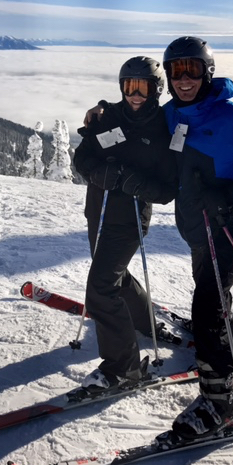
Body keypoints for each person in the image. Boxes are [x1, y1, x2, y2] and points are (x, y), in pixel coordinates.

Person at [84, 37, 233, 438]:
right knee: (211, 295)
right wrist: (104, 110)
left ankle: (222, 404)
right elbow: (137, 119)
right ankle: (226, 342)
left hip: (230, 226)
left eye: (192, 69)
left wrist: (229, 198)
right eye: (176, 70)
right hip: (197, 226)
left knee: (207, 304)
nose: (184, 79)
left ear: (207, 72)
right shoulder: (173, 113)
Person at [73, 56, 178, 393]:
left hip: (130, 220)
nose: (135, 95)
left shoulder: (164, 129)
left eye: (143, 88)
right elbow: (82, 158)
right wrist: (95, 173)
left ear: (156, 90)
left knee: (101, 287)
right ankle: (144, 322)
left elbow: (168, 189)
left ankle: (124, 368)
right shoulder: (108, 117)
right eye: (129, 86)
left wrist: (137, 184)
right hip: (98, 211)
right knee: (113, 276)